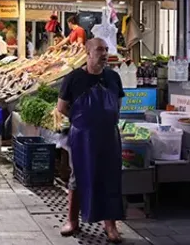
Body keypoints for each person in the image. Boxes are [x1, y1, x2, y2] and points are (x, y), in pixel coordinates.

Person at [56, 38, 124, 243]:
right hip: (82, 138)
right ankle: (72, 221)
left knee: (110, 177)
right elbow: (62, 107)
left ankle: (110, 225)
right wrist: (82, 122)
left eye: (105, 50)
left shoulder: (113, 77)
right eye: (99, 50)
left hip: (108, 137)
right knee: (77, 177)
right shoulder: (73, 78)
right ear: (87, 52)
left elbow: (118, 103)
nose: (103, 53)